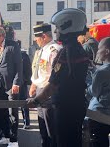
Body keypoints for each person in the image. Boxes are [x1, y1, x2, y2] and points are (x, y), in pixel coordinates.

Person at [26, 8, 90, 147]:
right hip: (77, 104)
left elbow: (53, 85)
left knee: (62, 141)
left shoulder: (65, 53)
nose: (55, 32)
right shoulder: (80, 50)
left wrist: (36, 101)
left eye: (58, 29)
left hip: (65, 107)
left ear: (68, 28)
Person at [0, 26, 23, 147]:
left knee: (12, 113)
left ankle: (14, 140)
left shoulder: (12, 45)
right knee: (2, 112)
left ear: (1, 35)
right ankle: (6, 136)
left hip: (11, 85)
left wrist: (16, 83)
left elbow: (19, 66)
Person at [29, 24, 62, 147]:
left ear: (43, 36)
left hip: (48, 92)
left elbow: (55, 76)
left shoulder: (55, 50)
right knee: (42, 127)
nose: (35, 40)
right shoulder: (42, 50)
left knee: (51, 129)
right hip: (40, 89)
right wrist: (33, 84)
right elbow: (38, 70)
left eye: (37, 38)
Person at [17, 40, 32, 130]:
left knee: (23, 103)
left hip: (22, 83)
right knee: (16, 104)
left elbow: (28, 69)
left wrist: (26, 81)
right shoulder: (15, 55)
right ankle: (23, 122)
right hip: (16, 83)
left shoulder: (24, 56)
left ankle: (26, 122)